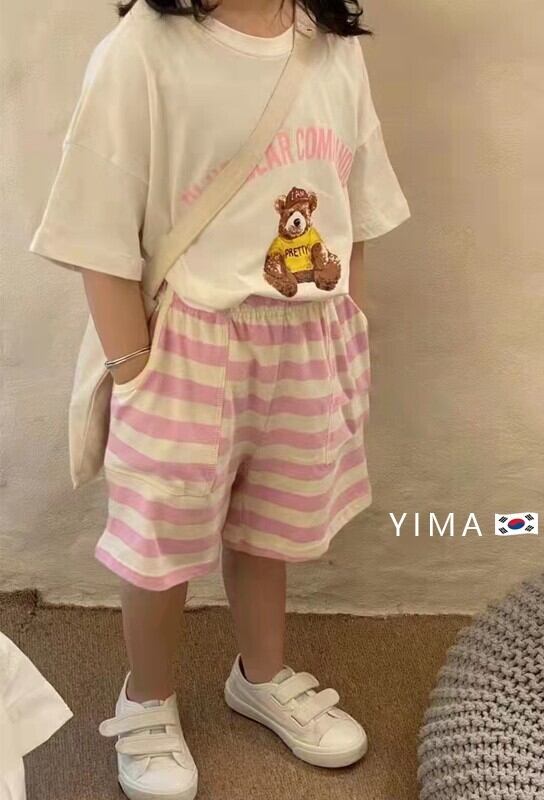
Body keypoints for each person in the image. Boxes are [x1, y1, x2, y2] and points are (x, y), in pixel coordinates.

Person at [29, 0, 410, 797]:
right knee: (159, 537)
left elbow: (355, 197)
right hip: (188, 338)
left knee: (271, 523)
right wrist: (133, 364)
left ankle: (260, 675)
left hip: (306, 334)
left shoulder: (332, 49)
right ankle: (147, 697)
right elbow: (96, 225)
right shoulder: (143, 49)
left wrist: (351, 317)